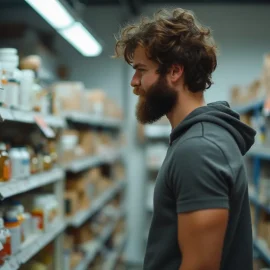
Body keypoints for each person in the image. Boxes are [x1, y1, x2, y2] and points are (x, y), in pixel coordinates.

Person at [114, 8, 255, 270]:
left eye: (141, 70)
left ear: (174, 72)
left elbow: (200, 266)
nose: (134, 82)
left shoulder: (199, 149)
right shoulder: (195, 139)